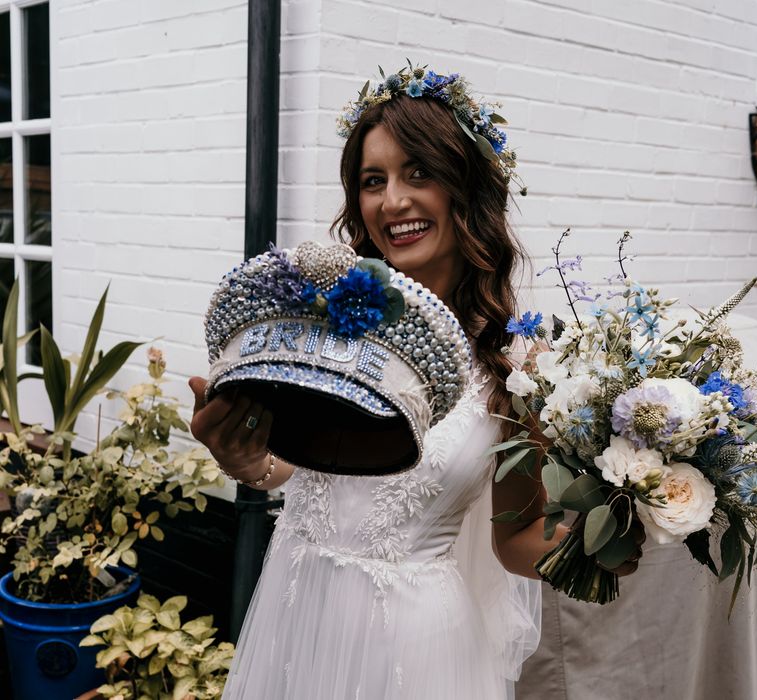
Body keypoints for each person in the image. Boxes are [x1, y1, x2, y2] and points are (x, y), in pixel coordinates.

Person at [188, 65, 634, 699]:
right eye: (374, 181)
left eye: (417, 173)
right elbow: (300, 469)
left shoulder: (522, 368)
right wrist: (245, 459)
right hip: (297, 608)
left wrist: (596, 541)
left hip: (419, 652)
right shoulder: (327, 318)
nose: (392, 200)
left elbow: (514, 542)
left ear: (466, 189)